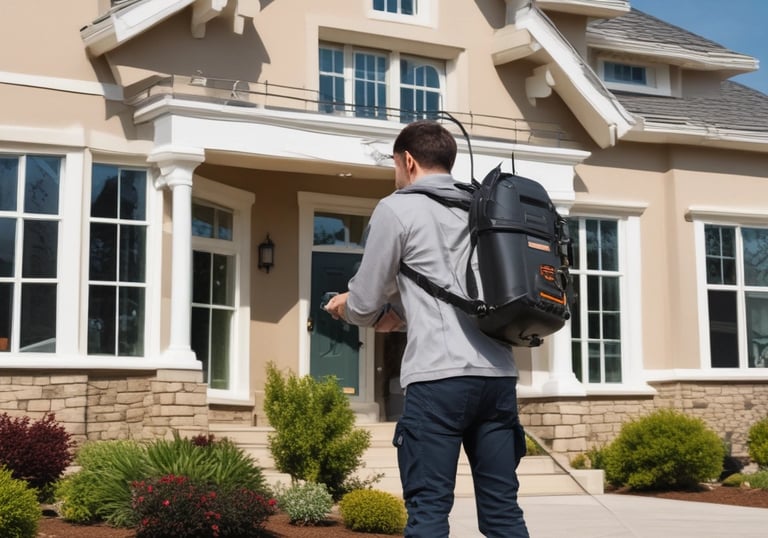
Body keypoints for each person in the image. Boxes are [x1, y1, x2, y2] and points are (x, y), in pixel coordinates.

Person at [325, 120, 529, 538]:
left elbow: (364, 305)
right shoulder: (482, 207)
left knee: (429, 512)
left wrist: (345, 307)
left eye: (395, 165)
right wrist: (403, 311)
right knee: (503, 513)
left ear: (409, 161)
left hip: (438, 381)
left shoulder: (397, 208)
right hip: (498, 378)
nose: (396, 174)